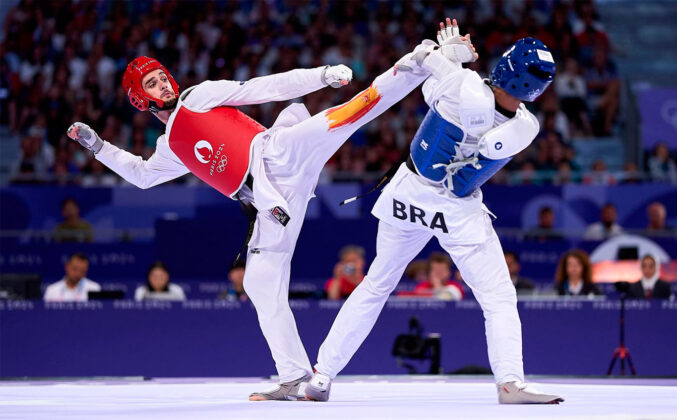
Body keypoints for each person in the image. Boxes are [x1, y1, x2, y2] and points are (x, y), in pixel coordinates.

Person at [67, 30, 456, 401]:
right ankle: (293, 376)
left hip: (278, 154)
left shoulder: (198, 97)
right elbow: (143, 176)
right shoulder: (171, 146)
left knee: (346, 115)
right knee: (258, 283)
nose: (163, 85)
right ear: (141, 100)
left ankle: (413, 64)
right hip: (269, 205)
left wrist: (320, 76)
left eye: (162, 77)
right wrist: (99, 147)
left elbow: (266, 87)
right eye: (152, 84)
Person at [305, 21, 563, 404]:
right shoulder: (526, 126)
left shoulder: (462, 82)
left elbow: (418, 64)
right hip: (456, 211)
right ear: (538, 89)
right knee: (497, 297)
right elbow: (470, 161)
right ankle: (509, 382)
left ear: (506, 65)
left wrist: (446, 54)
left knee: (376, 285)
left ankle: (321, 376)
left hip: (408, 195)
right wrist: (448, 63)